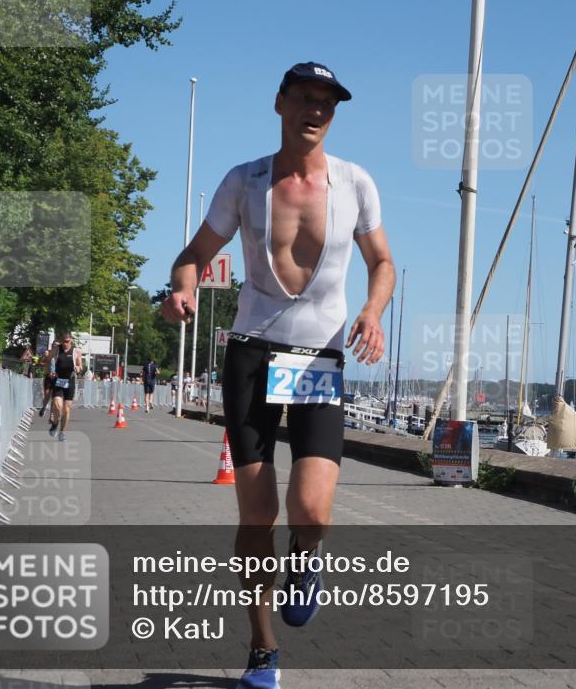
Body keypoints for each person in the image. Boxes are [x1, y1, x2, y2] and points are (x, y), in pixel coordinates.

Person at [161, 62, 394, 689]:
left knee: (311, 511)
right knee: (258, 513)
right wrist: (181, 288)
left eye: (327, 103)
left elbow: (383, 262)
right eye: (304, 99)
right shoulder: (245, 181)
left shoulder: (355, 184)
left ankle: (305, 563)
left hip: (318, 360)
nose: (315, 111)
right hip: (252, 353)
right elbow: (196, 254)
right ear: (280, 104)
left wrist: (372, 311)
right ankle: (262, 648)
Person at [46, 333, 82, 442]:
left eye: (68, 341)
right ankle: (55, 424)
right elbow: (48, 359)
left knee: (66, 410)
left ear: (71, 340)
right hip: (58, 381)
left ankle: (62, 432)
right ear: (62, 341)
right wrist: (50, 371)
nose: (66, 344)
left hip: (70, 383)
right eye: (64, 341)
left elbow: (81, 366)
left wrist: (77, 368)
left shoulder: (76, 352)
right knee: (57, 406)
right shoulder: (56, 349)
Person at [39, 342, 58, 417]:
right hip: (48, 376)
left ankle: (52, 414)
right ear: (51, 346)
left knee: (54, 396)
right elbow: (41, 362)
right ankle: (44, 407)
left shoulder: (60, 355)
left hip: (56, 377)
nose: (55, 347)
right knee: (47, 395)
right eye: (53, 345)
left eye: (56, 346)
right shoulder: (48, 353)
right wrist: (45, 361)